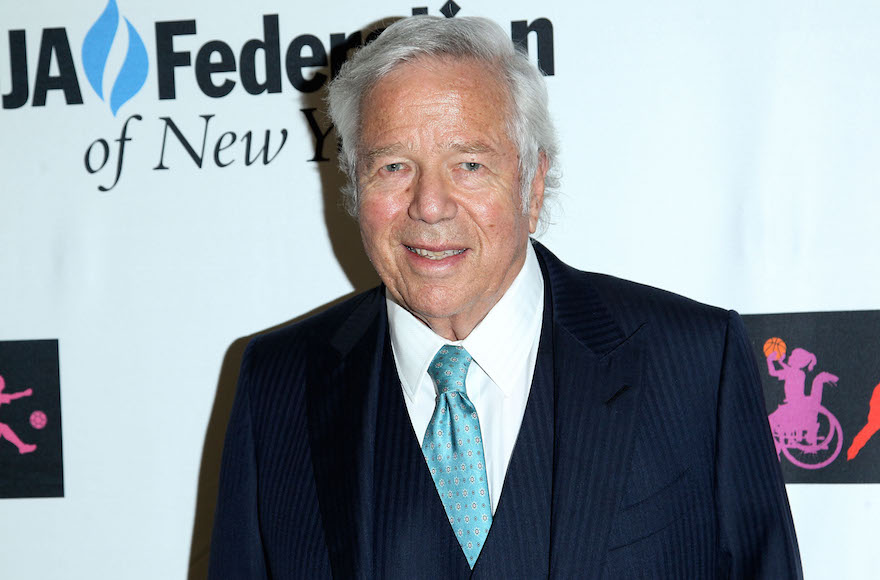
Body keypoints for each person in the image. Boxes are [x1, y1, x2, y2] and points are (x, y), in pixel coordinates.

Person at [208, 15, 802, 579]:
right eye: (392, 167)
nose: (430, 205)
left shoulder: (695, 363)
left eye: (468, 164)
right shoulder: (277, 385)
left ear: (533, 183)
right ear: (355, 187)